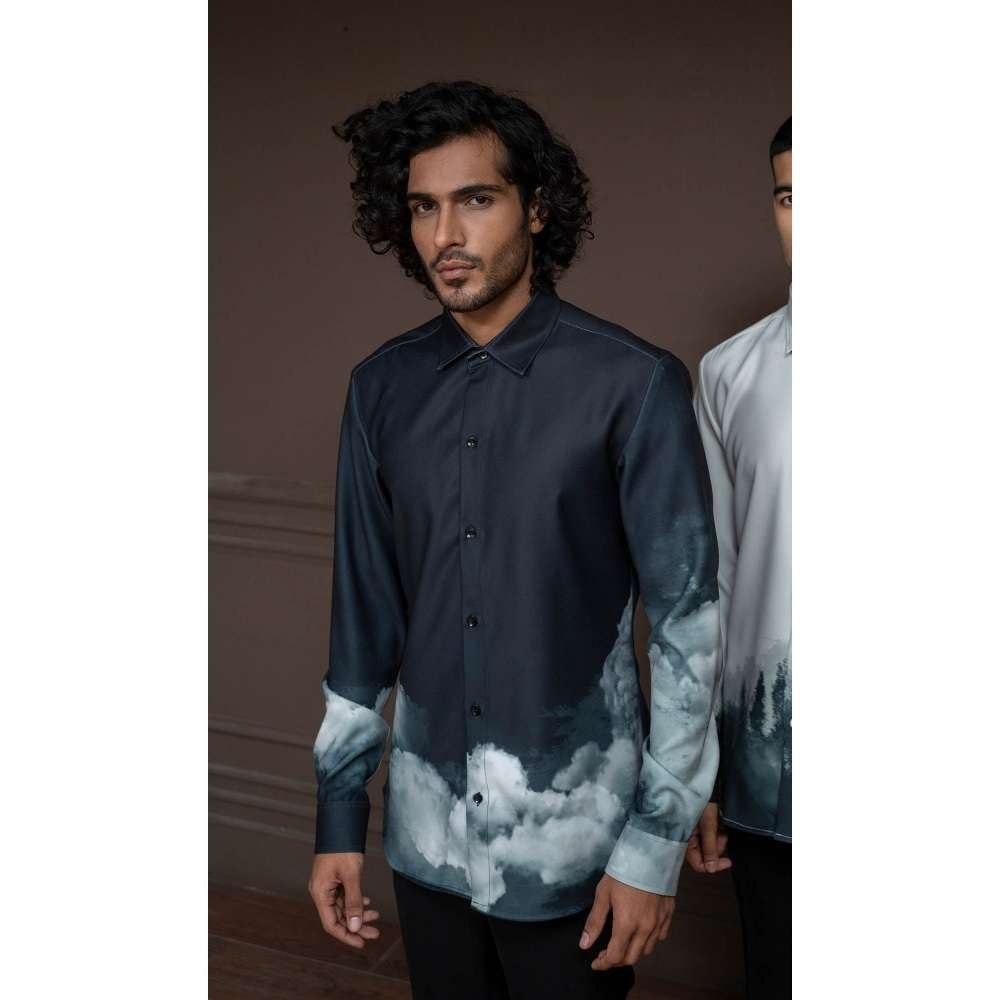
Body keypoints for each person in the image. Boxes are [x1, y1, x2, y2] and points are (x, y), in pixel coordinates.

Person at [307, 80, 723, 1000]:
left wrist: (655, 845)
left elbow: (689, 634)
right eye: (423, 207)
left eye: (476, 200)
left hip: (577, 849)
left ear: (536, 208)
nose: (446, 235)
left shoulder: (634, 384)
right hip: (426, 844)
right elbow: (362, 625)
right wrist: (338, 822)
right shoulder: (378, 390)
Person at [687, 115, 792, 999]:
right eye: (791, 197)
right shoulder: (729, 372)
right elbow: (713, 581)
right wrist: (703, 768)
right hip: (775, 764)